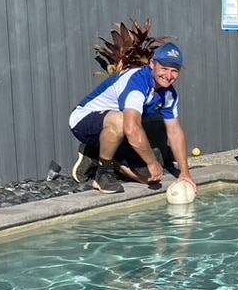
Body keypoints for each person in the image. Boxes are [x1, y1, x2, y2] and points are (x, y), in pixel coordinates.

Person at [68, 42, 198, 196]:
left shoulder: (169, 95)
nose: (169, 76)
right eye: (164, 68)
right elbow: (131, 128)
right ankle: (103, 174)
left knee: (151, 178)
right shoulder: (137, 82)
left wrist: (186, 174)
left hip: (117, 131)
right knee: (121, 120)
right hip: (84, 120)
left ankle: (98, 156)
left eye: (174, 71)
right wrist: (151, 162)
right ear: (152, 64)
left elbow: (175, 132)